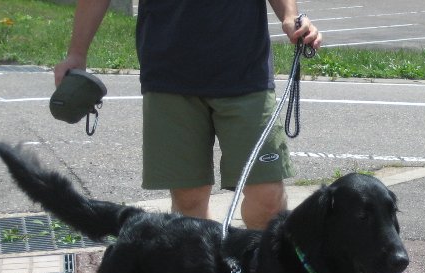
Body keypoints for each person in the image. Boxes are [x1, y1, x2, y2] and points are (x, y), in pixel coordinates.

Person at [54, 0, 322, 229]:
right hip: (169, 73)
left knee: (268, 199)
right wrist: (77, 53)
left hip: (246, 71)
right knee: (188, 204)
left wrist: (290, 16)